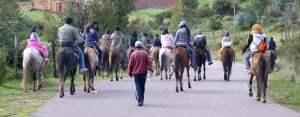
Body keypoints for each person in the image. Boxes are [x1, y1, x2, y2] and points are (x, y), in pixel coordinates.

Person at [128, 41, 153, 106]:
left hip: (136, 74)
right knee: (142, 87)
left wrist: (129, 73)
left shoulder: (133, 54)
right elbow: (149, 62)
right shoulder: (145, 53)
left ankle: (140, 100)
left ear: (135, 47)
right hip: (144, 73)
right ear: (141, 46)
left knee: (138, 87)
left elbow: (130, 65)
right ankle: (141, 99)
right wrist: (150, 70)